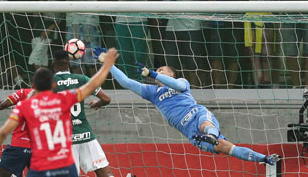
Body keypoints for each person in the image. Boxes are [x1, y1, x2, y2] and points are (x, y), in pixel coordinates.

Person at [93, 46, 279, 166]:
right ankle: (261, 158)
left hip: (196, 113)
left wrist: (152, 73)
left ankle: (210, 136)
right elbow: (126, 82)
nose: (158, 71)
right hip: (189, 132)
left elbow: (179, 86)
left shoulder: (181, 82)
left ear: (170, 75)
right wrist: (108, 64)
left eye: (162, 70)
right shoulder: (152, 92)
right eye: (157, 70)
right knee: (227, 148)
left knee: (206, 125)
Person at [0, 48, 119, 176]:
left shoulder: (25, 106)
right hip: (64, 162)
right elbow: (93, 85)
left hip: (41, 164)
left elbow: (2, 132)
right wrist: (107, 65)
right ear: (52, 85)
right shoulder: (64, 99)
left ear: (34, 86)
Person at [53, 50, 113, 177]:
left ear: (53, 63)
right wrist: (97, 104)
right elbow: (106, 99)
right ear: (68, 63)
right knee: (103, 171)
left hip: (64, 138)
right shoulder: (82, 79)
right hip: (85, 134)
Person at [106, 0, 157, 80]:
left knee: (139, 54)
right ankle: (126, 83)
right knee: (123, 54)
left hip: (140, 21)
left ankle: (139, 81)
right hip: (122, 21)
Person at [198, 0, 244, 88]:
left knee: (232, 56)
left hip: (233, 21)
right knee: (216, 56)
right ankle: (217, 86)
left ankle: (231, 86)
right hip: (216, 22)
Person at [57, 0, 100, 77]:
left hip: (90, 22)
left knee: (92, 59)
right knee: (74, 59)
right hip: (73, 22)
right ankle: (79, 89)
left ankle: (95, 88)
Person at [165, 0, 205, 87]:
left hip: (191, 26)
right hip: (172, 27)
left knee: (192, 62)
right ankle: (174, 88)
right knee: (172, 62)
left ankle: (193, 87)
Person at [238, 0, 275, 87]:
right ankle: (257, 80)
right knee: (253, 53)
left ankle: (268, 79)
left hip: (266, 20)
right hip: (251, 20)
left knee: (266, 52)